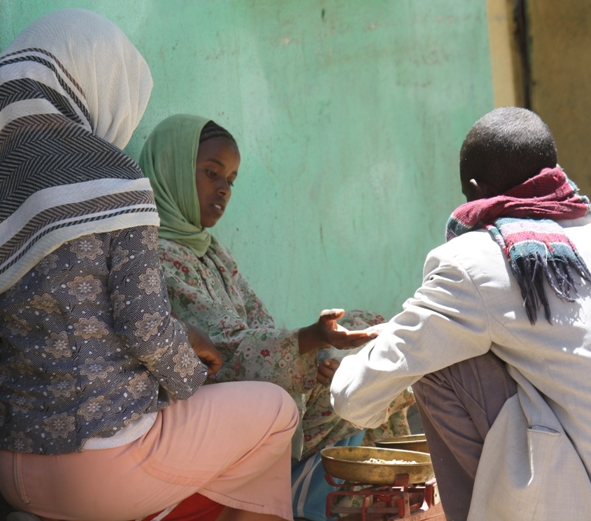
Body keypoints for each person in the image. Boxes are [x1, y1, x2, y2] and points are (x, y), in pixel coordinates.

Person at [0, 9, 298, 521]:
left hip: (13, 469)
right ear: (93, 83)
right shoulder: (111, 177)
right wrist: (192, 379)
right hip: (96, 468)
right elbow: (143, 326)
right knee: (277, 412)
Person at [330, 106, 591, 521]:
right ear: (553, 173)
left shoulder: (477, 259)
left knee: (439, 362)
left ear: (472, 189)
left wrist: (347, 366)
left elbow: (353, 397)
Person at [137, 114, 415, 521]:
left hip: (263, 385)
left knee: (374, 340)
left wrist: (320, 357)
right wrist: (311, 342)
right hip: (219, 414)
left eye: (230, 179)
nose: (223, 189)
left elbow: (259, 328)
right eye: (211, 173)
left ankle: (382, 492)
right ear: (171, 170)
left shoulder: (211, 251)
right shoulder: (157, 257)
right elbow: (224, 351)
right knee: (366, 377)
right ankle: (334, 499)